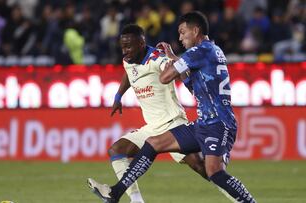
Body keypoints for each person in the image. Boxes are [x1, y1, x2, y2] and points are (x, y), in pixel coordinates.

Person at [87, 12, 257, 203]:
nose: (180, 38)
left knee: (213, 172)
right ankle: (115, 193)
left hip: (218, 123)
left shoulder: (198, 51)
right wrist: (176, 60)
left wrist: (172, 62)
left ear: (195, 30)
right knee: (153, 143)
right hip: (204, 123)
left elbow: (165, 77)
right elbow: (192, 85)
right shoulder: (212, 50)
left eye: (183, 32)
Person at [96, 24, 207, 203]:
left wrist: (173, 62)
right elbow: (128, 73)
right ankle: (136, 200)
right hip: (152, 128)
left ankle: (234, 193)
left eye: (129, 46)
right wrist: (118, 96)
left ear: (141, 43)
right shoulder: (128, 60)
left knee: (202, 167)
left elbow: (175, 71)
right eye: (122, 47)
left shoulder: (157, 59)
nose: (125, 51)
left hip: (173, 123)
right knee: (116, 150)